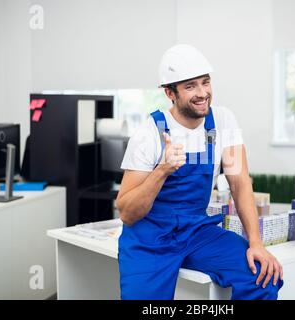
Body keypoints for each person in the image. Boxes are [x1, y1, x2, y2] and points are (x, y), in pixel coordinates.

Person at [116, 44, 284, 300]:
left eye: (205, 82)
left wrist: (256, 243)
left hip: (195, 230)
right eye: (190, 86)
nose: (202, 93)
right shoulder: (149, 134)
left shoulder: (223, 122)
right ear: (170, 92)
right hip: (149, 238)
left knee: (262, 275)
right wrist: (162, 170)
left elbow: (239, 184)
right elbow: (127, 213)